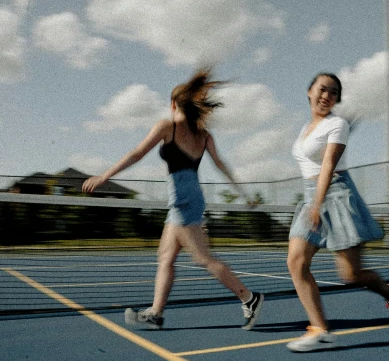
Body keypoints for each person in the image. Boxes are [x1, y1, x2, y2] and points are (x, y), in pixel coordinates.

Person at [82, 69, 263, 331]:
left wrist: (104, 176)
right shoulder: (203, 135)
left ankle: (249, 297)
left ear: (173, 104)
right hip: (188, 197)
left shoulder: (167, 126)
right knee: (166, 257)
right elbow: (221, 165)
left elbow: (137, 153)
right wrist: (244, 193)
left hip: (183, 200)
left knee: (203, 258)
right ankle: (156, 312)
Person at [286, 72, 389, 352]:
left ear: (337, 99)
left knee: (350, 276)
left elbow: (329, 164)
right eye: (322, 89)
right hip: (311, 197)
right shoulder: (305, 128)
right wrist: (312, 203)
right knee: (296, 262)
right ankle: (320, 330)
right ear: (309, 91)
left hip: (337, 195)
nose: (326, 95)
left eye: (333, 92)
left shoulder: (338, 124)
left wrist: (318, 204)